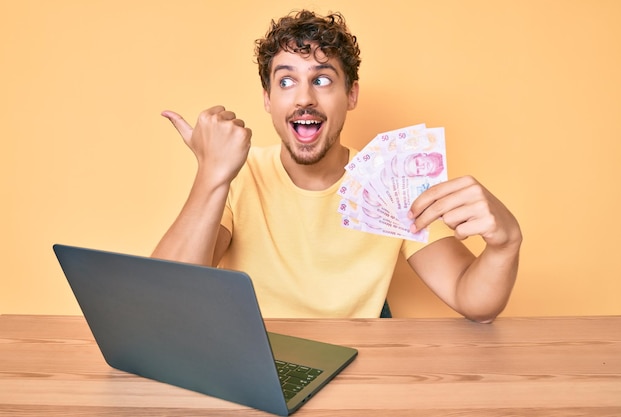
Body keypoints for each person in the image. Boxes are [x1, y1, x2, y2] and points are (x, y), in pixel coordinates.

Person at [151, 10, 522, 322]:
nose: (304, 98)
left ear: (351, 94)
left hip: (358, 366)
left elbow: (473, 299)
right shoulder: (236, 175)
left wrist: (506, 243)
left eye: (323, 79)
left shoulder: (391, 181)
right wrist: (211, 174)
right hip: (256, 360)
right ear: (268, 99)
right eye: (286, 81)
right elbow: (165, 302)